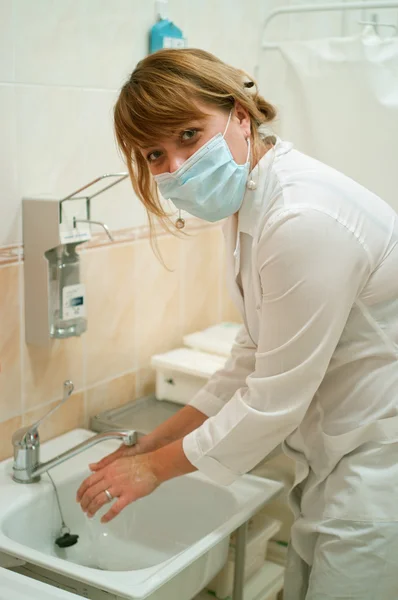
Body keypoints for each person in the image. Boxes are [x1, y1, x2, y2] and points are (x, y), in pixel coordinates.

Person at [77, 48, 398, 599]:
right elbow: (249, 357)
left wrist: (155, 470)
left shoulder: (302, 217)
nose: (176, 167)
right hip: (339, 461)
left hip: (379, 470)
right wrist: (148, 446)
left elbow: (274, 400)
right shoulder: (254, 202)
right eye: (155, 153)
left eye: (188, 134)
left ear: (240, 117)